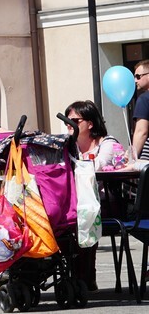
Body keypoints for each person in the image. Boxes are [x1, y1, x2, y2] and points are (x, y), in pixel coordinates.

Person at [66, 100, 127, 291]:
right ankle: (76, 276)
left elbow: (95, 168)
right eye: (67, 121)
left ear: (90, 123)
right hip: (79, 203)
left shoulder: (107, 144)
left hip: (107, 204)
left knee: (83, 216)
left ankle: (83, 277)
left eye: (74, 120)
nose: (69, 125)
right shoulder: (69, 147)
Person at [129, 60, 149, 159]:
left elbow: (141, 132)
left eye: (138, 76)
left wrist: (132, 157)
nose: (135, 80)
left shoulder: (144, 99)